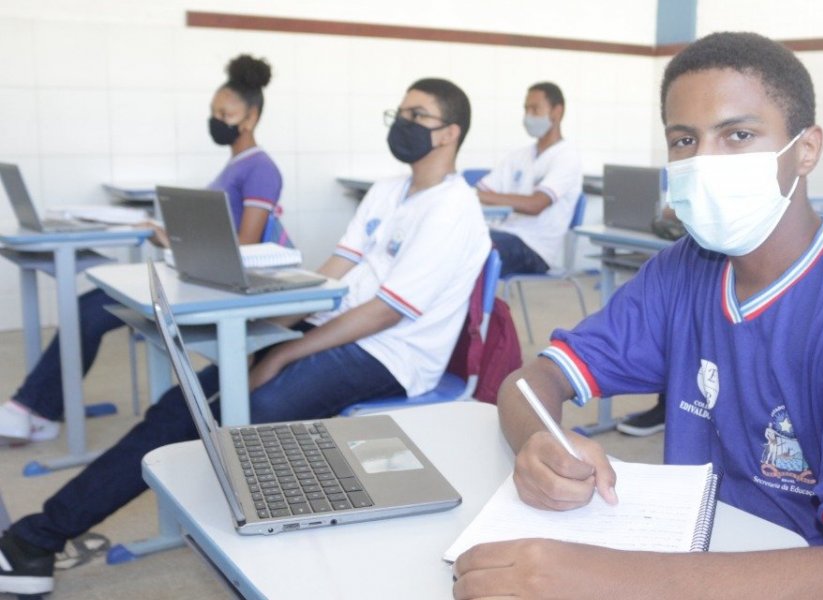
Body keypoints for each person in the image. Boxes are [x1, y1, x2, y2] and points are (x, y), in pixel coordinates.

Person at [452, 32, 823, 600]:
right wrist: (540, 440)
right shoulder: (683, 270)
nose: (705, 161)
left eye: (738, 135)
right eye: (684, 140)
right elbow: (533, 380)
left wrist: (600, 579)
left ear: (806, 149)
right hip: (698, 554)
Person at [0, 78, 489, 596]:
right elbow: (332, 275)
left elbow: (385, 313)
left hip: (390, 354)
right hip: (332, 329)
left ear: (449, 133)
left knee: (240, 417)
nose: (402, 125)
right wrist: (264, 329)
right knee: (181, 406)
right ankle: (38, 541)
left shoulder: (454, 209)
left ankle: (39, 540)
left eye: (417, 116)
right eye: (400, 113)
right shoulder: (388, 191)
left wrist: (282, 355)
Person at [0, 54, 286, 444]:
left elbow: (247, 245)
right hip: (201, 272)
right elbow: (217, 237)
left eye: (225, 114)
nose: (216, 120)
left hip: (221, 284)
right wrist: (166, 236)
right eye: (213, 112)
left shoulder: (261, 168)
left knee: (89, 311)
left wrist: (175, 242)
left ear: (250, 118)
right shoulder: (235, 165)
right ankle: (37, 408)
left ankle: (32, 409)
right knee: (88, 308)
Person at [477, 82, 583, 277]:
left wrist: (487, 197)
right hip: (504, 233)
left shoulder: (567, 157)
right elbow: (482, 191)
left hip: (535, 248)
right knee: (457, 239)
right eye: (526, 109)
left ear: (557, 112)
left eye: (535, 109)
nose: (528, 116)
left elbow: (535, 205)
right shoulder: (519, 156)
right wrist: (484, 196)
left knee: (471, 250)